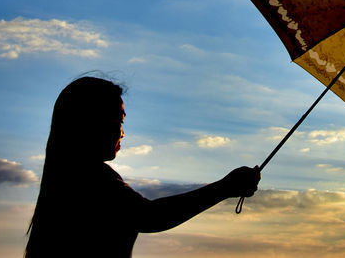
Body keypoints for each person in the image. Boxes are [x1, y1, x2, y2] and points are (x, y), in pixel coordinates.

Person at [24, 76, 260, 257]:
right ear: (92, 121)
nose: (122, 132)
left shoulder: (66, 177)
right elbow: (149, 217)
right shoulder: (89, 178)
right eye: (118, 119)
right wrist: (224, 188)